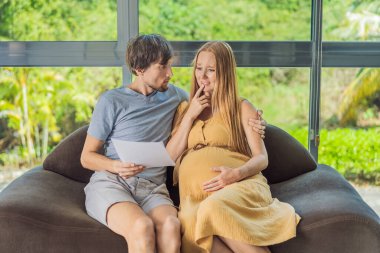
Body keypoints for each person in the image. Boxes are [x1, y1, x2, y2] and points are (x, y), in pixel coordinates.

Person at [80, 34, 267, 253]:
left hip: (153, 188)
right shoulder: (111, 101)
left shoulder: (177, 97)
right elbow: (86, 157)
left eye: (170, 66)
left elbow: (220, 107)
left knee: (171, 225)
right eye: (162, 67)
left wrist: (259, 122)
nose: (170, 74)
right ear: (140, 69)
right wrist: (115, 166)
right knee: (142, 226)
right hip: (113, 182)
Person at [167, 41, 301, 253]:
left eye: (211, 70)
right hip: (194, 198)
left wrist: (235, 174)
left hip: (238, 187)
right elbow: (170, 155)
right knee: (193, 223)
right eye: (199, 69)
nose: (202, 76)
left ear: (226, 73)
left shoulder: (242, 107)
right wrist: (190, 115)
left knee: (213, 208)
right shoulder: (185, 109)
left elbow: (261, 158)